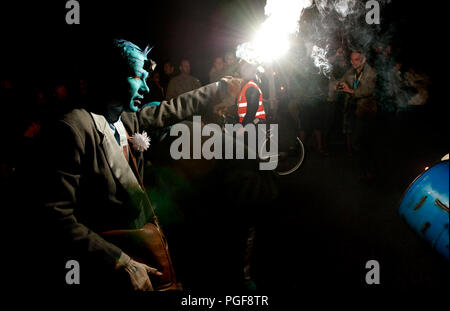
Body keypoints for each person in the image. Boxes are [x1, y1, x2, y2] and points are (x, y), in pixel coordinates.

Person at [29, 39, 242, 292]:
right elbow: (55, 218)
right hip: (104, 270)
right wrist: (119, 262)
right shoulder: (73, 128)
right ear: (111, 76)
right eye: (137, 77)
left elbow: (173, 108)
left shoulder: (125, 120)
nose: (144, 87)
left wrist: (221, 88)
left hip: (141, 250)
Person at [335, 50, 377, 179]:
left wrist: (350, 90)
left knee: (362, 141)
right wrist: (338, 85)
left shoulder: (371, 72)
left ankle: (369, 169)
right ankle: (362, 167)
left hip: (366, 111)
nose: (353, 62)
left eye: (356, 59)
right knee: (355, 140)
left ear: (363, 59)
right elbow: (343, 80)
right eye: (352, 59)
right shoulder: (351, 71)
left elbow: (367, 90)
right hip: (352, 109)